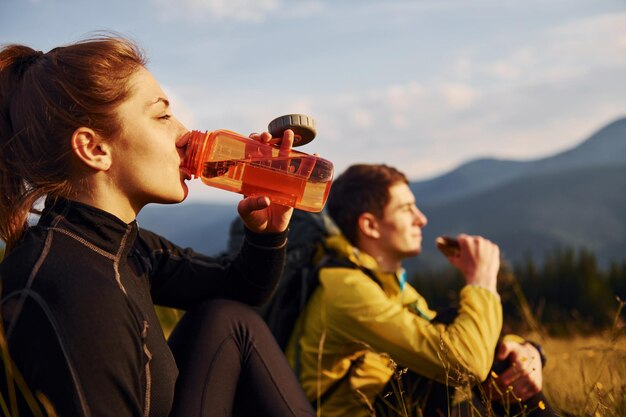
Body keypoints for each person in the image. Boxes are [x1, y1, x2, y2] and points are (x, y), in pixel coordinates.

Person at [0, 36, 316, 417]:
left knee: (228, 321)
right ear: (94, 149)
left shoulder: (122, 246)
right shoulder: (73, 289)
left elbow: (239, 288)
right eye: (162, 116)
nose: (185, 135)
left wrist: (265, 234)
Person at [285, 164, 556, 417]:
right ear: (369, 225)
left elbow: (447, 337)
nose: (422, 219)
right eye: (407, 209)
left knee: (474, 342)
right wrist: (481, 281)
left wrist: (525, 350)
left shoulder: (384, 283)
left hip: (384, 403)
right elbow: (466, 361)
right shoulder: (346, 289)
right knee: (453, 327)